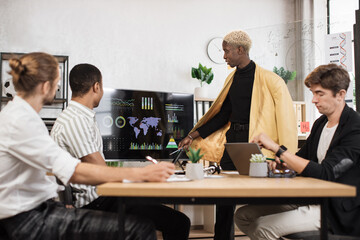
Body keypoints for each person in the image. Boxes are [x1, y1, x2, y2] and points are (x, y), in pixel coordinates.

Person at [0, 52, 176, 240]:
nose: (59, 87)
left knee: (146, 222)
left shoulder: (20, 115)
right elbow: (75, 171)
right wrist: (141, 173)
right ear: (45, 86)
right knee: (140, 229)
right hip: (26, 219)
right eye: (57, 82)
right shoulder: (21, 121)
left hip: (36, 209)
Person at [179, 30, 297, 239]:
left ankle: (267, 233)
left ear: (240, 50)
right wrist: (193, 135)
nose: (224, 56)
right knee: (224, 196)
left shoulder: (271, 80)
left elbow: (286, 120)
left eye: (226, 51)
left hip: (257, 145)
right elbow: (223, 115)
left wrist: (285, 154)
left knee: (262, 194)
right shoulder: (231, 79)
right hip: (233, 143)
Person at [50, 63, 191, 240]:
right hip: (95, 201)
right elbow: (101, 171)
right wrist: (142, 175)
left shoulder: (78, 117)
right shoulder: (75, 120)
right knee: (178, 223)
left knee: (172, 218)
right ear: (96, 86)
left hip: (100, 196)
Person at [235, 63, 360, 239]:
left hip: (333, 209)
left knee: (262, 228)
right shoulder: (321, 123)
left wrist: (276, 148)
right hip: (311, 198)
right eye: (313, 93)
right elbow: (300, 160)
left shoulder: (355, 129)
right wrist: (275, 164)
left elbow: (326, 173)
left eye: (320, 94)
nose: (314, 100)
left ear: (340, 95)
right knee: (243, 216)